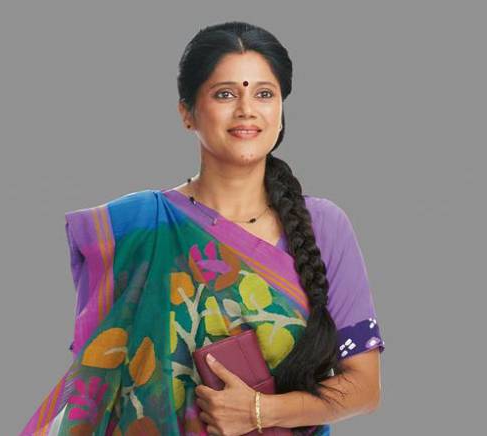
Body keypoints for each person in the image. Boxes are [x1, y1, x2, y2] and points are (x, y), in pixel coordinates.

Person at [20, 21, 385, 436]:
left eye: (264, 94)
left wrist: (261, 411)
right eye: (225, 94)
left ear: (281, 110)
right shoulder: (137, 227)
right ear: (186, 113)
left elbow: (364, 388)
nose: (246, 109)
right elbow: (100, 371)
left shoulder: (324, 226)